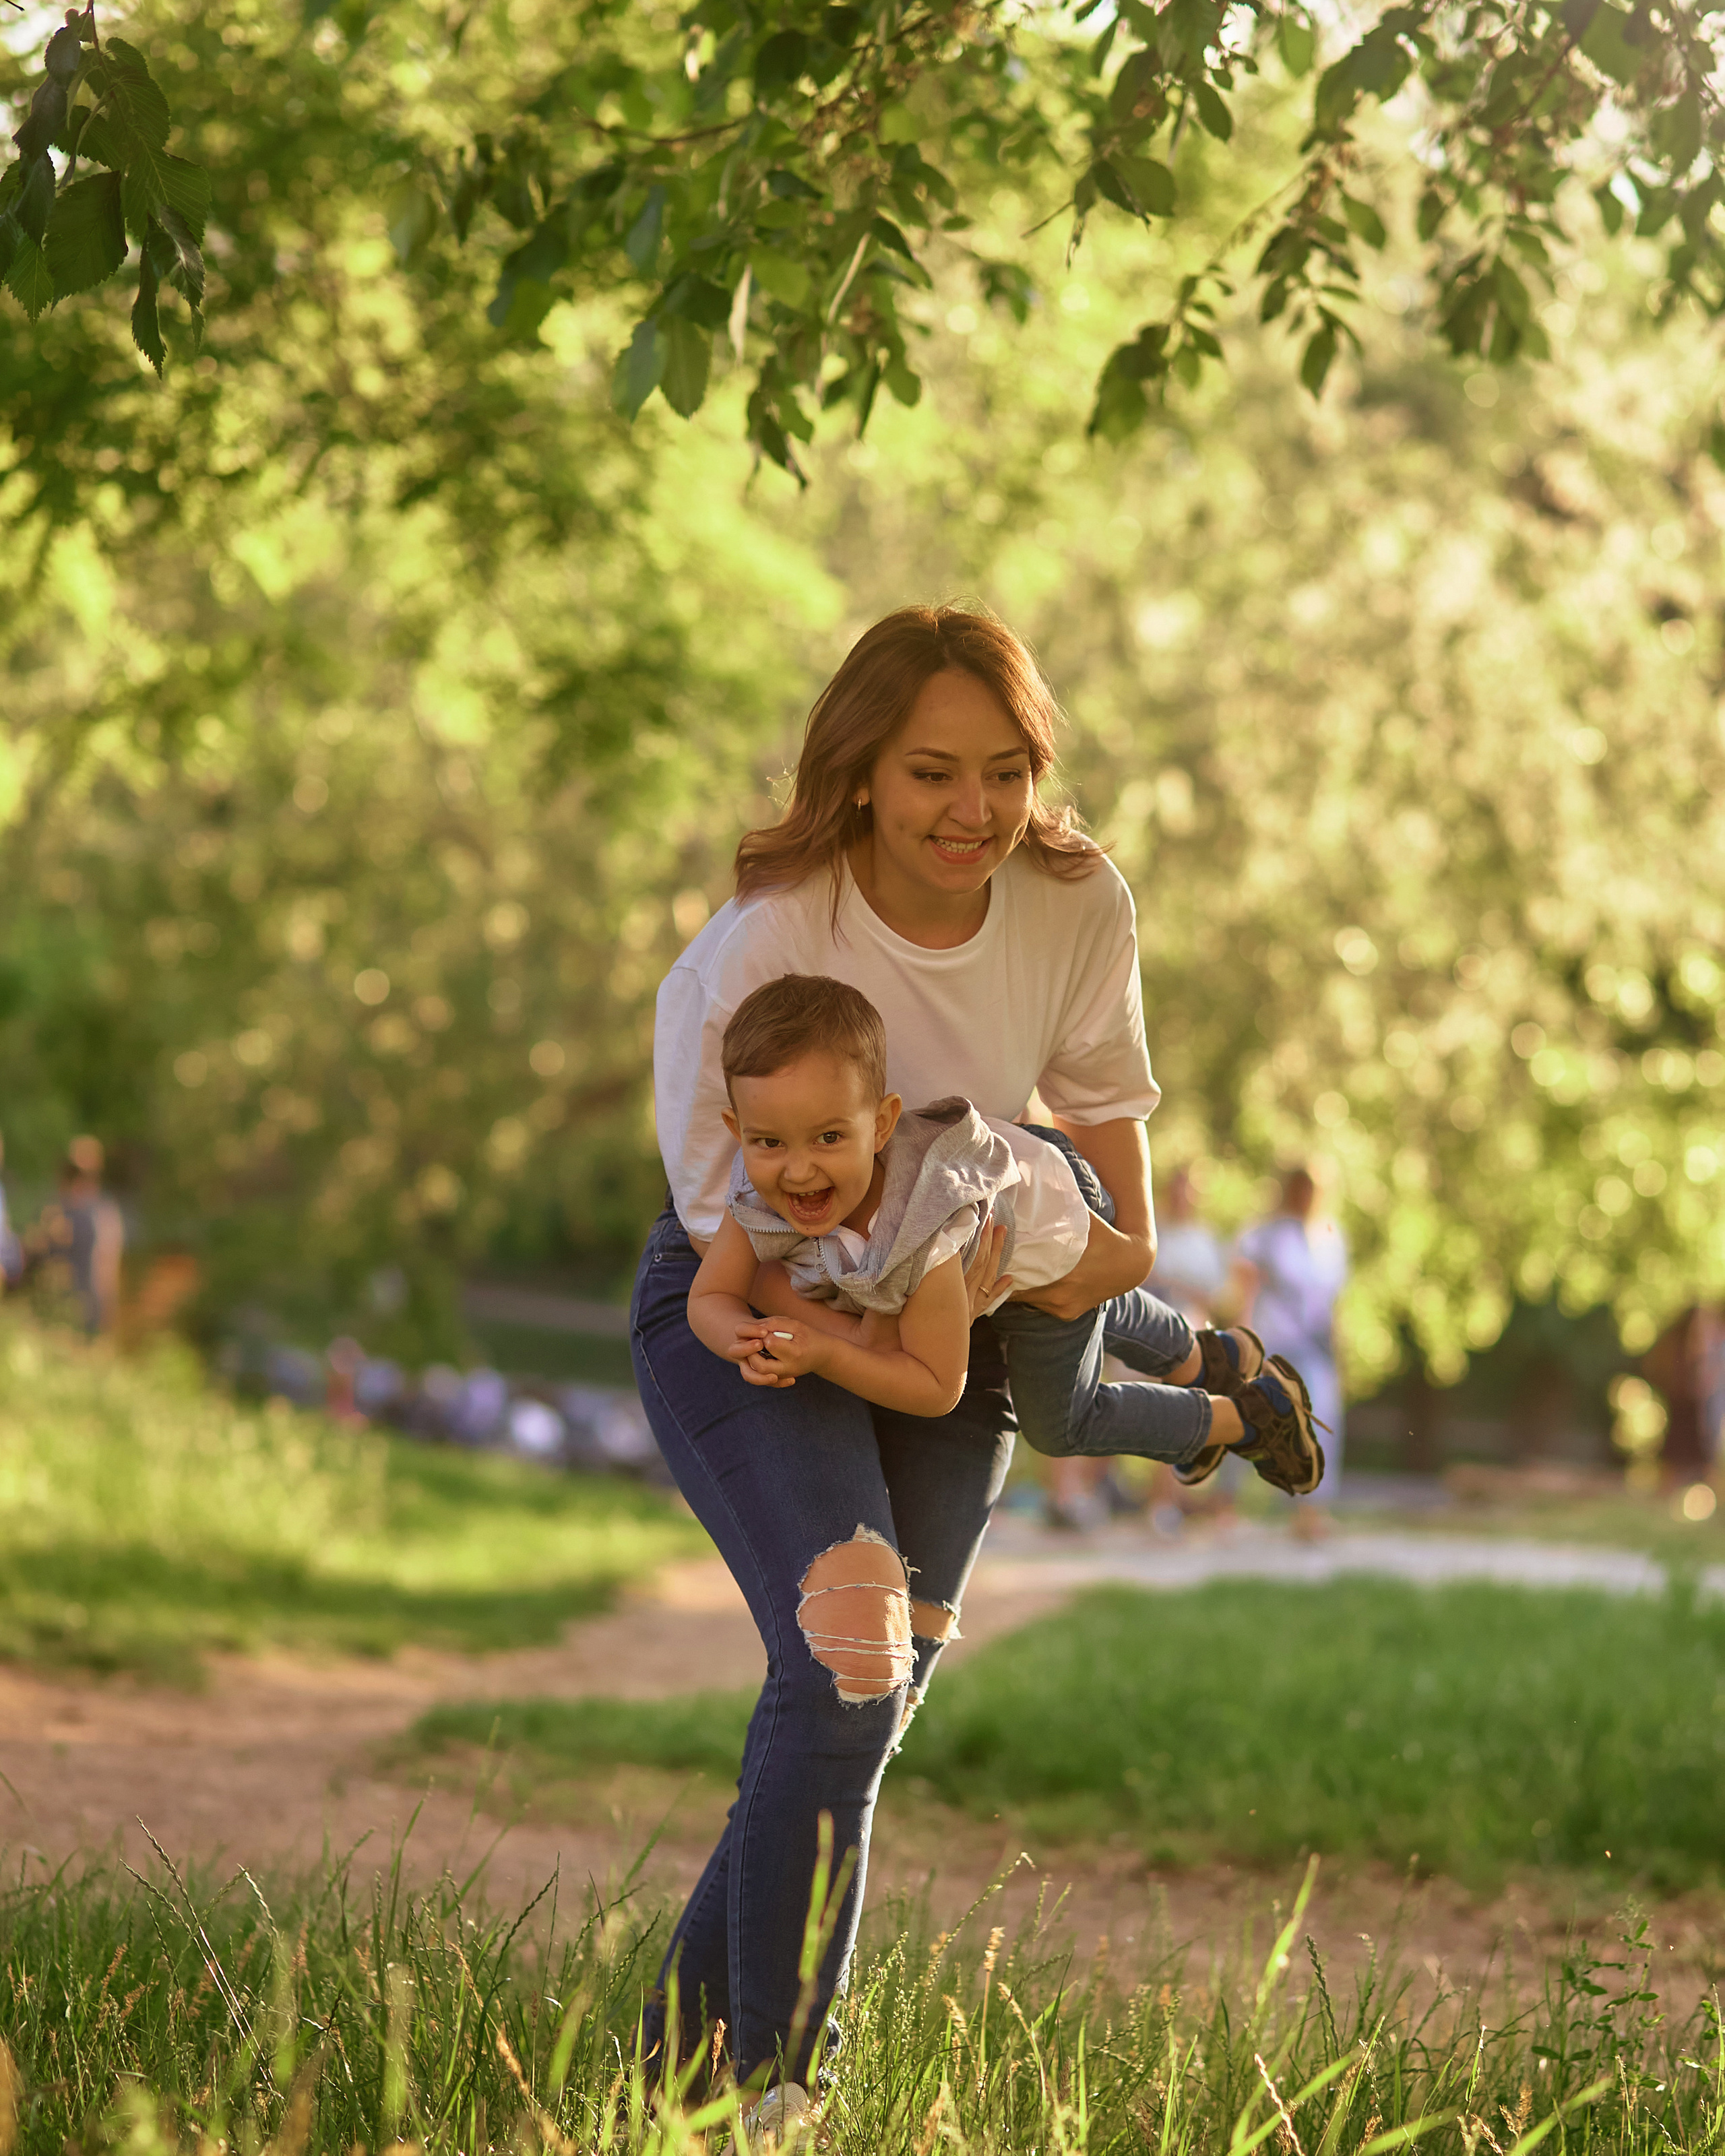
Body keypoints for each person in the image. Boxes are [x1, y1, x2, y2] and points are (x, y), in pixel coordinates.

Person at [631, 604, 1297, 2130]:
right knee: (848, 1640)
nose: (970, 812)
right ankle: (780, 2091)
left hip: (957, 1311)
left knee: (863, 1694)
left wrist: (1066, 1259)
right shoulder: (770, 941)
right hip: (758, 1299)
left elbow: (1115, 1213)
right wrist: (852, 1310)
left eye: (1003, 771)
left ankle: (670, 2087)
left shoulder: (1072, 905)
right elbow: (733, 1227)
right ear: (860, 770)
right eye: (931, 771)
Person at [688, 973, 1322, 1490]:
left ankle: (1248, 1418)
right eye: (769, 1141)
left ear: (882, 1126)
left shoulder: (923, 1235)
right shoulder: (764, 1186)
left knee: (1061, 1418)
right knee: (1066, 1292)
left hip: (1039, 1223)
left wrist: (826, 1353)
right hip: (1021, 1179)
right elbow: (710, 1296)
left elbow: (937, 1386)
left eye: (829, 1138)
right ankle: (1210, 1356)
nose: (798, 1170)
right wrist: (739, 1340)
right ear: (737, 1129)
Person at [1234, 1164, 1348, 1510]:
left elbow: (1333, 1304)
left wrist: (1340, 1354)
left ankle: (1311, 1511)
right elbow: (1246, 1290)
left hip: (1314, 1346)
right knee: (1246, 1415)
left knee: (1320, 1422)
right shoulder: (1263, 1234)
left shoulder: (1330, 1238)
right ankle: (1227, 1505)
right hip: (1271, 1341)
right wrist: (1242, 1341)